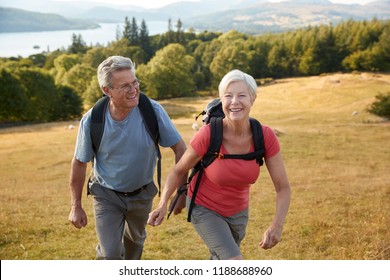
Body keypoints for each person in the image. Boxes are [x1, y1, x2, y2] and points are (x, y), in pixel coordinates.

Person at [148, 69, 291, 260]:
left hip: (239, 212)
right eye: (228, 96)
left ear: (253, 99)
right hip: (204, 207)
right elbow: (178, 169)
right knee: (233, 262)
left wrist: (277, 225)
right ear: (221, 100)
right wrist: (163, 203)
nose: (234, 102)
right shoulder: (208, 134)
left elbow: (283, 187)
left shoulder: (264, 136)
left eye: (241, 95)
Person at [68, 55, 186, 260]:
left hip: (142, 194)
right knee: (111, 253)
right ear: (107, 90)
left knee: (134, 250)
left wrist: (182, 192)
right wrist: (76, 206)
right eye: (124, 86)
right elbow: (79, 163)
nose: (133, 90)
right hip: (106, 194)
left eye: (135, 83)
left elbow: (180, 150)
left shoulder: (152, 111)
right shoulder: (92, 120)